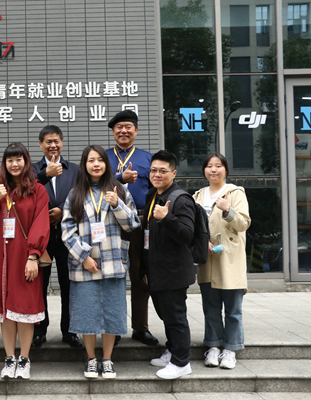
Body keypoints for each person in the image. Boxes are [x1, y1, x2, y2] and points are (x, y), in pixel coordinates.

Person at [61, 145, 141, 379]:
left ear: (107, 164)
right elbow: (66, 230)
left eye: (100, 160)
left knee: (111, 313)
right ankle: (90, 359)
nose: (96, 164)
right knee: (87, 313)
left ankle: (107, 359)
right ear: (84, 165)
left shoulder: (119, 190)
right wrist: (83, 256)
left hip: (112, 262)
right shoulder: (75, 194)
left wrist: (117, 204)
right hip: (85, 265)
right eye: (91, 160)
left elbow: (132, 224)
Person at [0, 142, 50, 380]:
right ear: (4, 163)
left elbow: (41, 223)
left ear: (26, 162)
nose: (14, 164)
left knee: (24, 307)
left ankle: (24, 358)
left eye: (18, 159)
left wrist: (33, 256)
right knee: (4, 309)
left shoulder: (38, 190)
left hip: (24, 256)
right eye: (10, 160)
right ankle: (9, 358)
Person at [105, 110, 158, 346]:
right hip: (110, 223)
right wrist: (119, 178)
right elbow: (93, 183)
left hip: (139, 223)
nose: (123, 131)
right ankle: (113, 328)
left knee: (140, 276)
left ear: (136, 130)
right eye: (119, 127)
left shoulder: (148, 159)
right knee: (112, 276)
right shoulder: (103, 157)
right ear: (113, 132)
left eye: (128, 127)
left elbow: (157, 189)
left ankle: (140, 328)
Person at [193, 153, 251, 369]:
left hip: (229, 257)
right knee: (211, 307)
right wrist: (202, 243)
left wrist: (227, 209)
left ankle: (231, 349)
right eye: (209, 166)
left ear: (226, 170)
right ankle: (213, 346)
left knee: (233, 309)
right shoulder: (198, 196)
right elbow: (193, 226)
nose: (213, 169)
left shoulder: (235, 193)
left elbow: (243, 223)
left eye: (218, 166)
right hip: (207, 257)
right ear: (204, 171)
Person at [143, 150, 196, 380]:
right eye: (153, 170)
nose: (157, 174)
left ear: (173, 173)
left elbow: (187, 235)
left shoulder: (181, 199)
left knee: (175, 317)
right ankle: (173, 350)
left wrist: (167, 218)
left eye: (162, 171)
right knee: (166, 315)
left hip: (174, 271)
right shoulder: (153, 195)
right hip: (157, 269)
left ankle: (181, 362)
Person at [32, 125, 81, 348]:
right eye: (48, 142)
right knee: (38, 286)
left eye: (56, 141)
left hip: (67, 236)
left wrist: (63, 210)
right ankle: (39, 330)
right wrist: (45, 175)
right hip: (40, 238)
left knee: (68, 285)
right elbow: (25, 192)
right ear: (41, 144)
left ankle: (70, 331)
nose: (53, 145)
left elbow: (81, 196)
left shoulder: (74, 170)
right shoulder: (33, 170)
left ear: (62, 142)